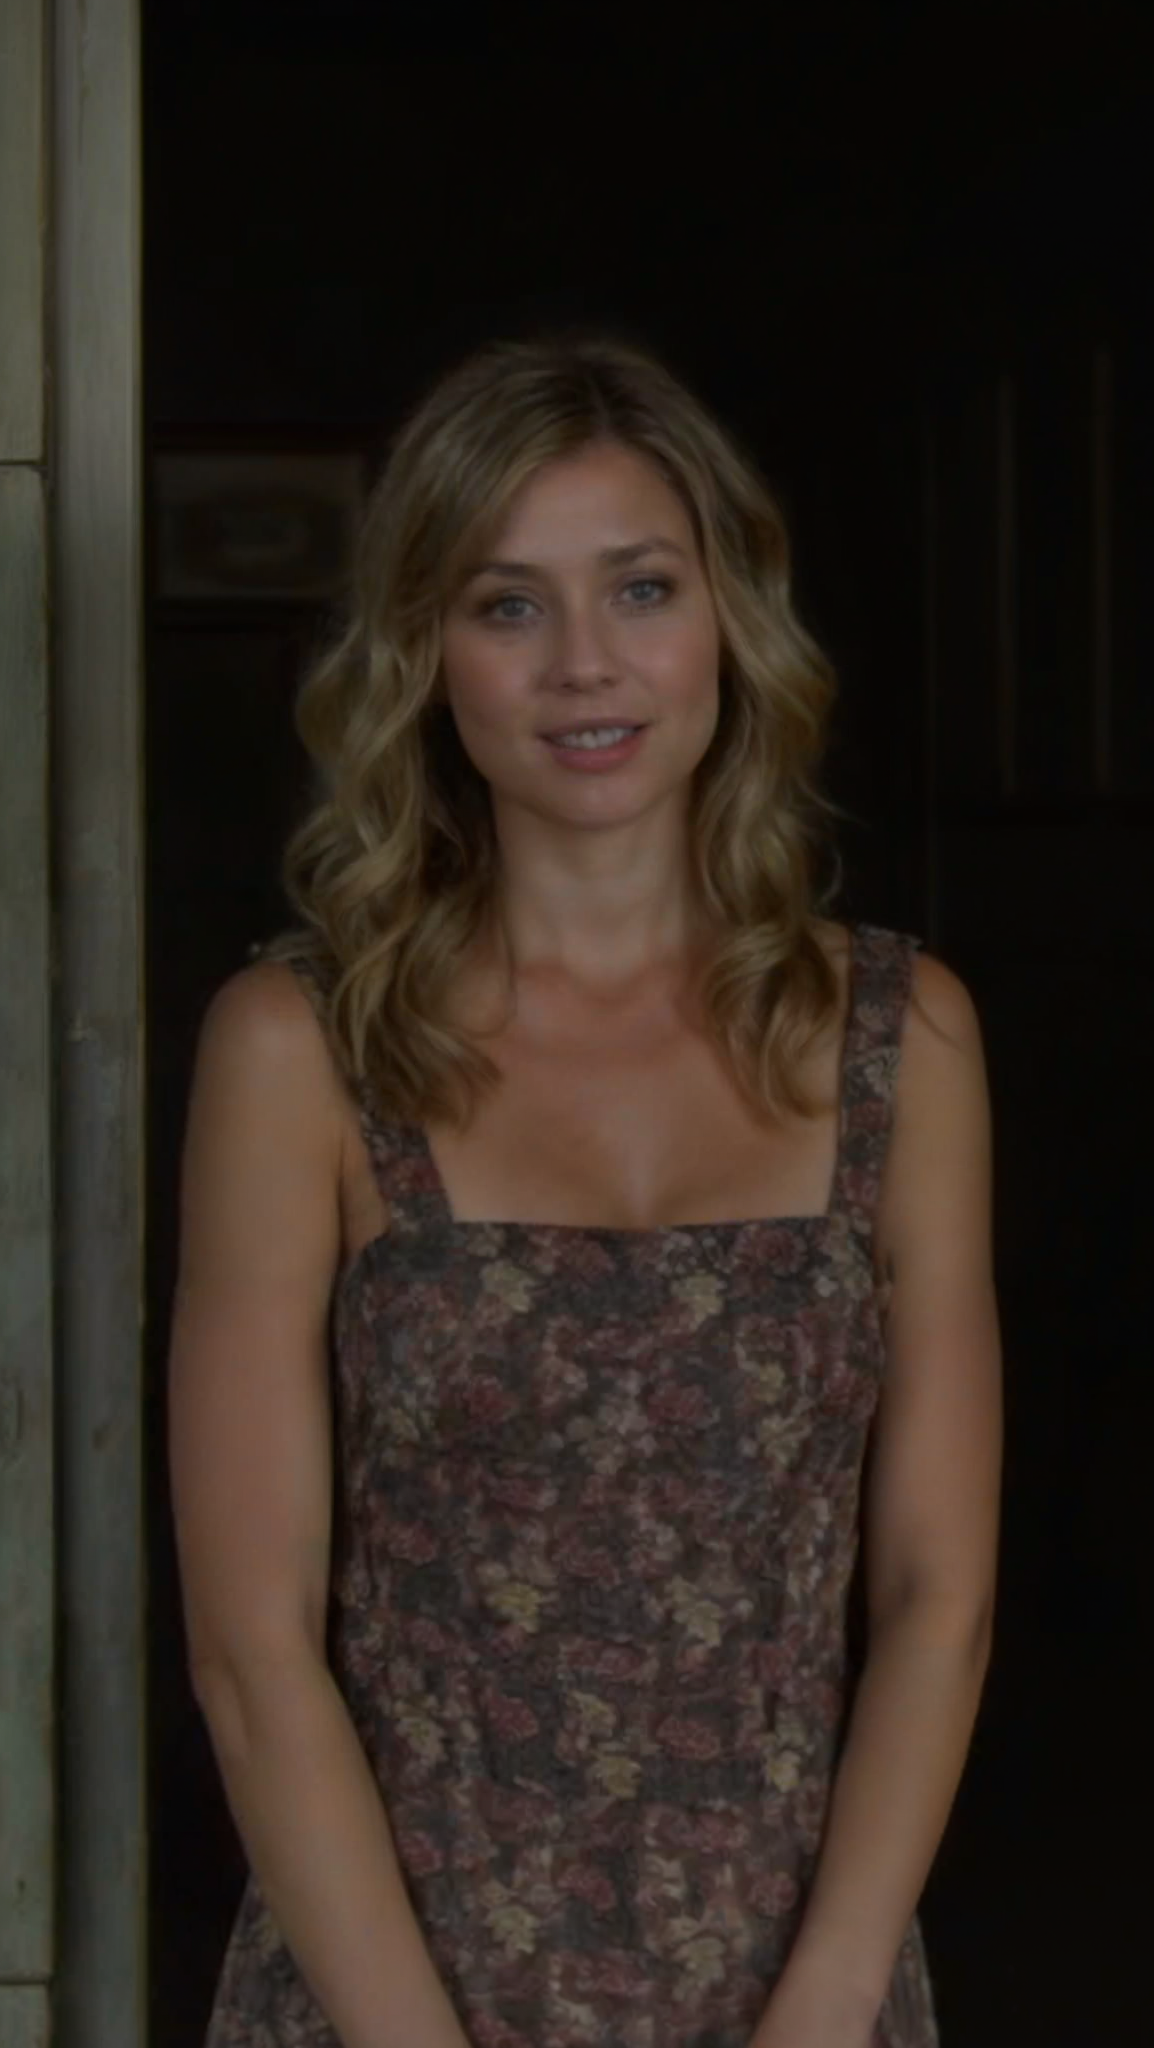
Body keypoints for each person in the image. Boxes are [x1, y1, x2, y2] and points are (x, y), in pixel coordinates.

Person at [168, 335, 1001, 2048]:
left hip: (802, 1994)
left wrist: (830, 2000)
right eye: (508, 605)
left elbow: (938, 1593)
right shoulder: (300, 1048)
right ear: (425, 655)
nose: (585, 665)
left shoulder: (900, 1037)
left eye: (640, 587)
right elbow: (253, 1654)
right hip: (385, 1998)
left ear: (729, 618)